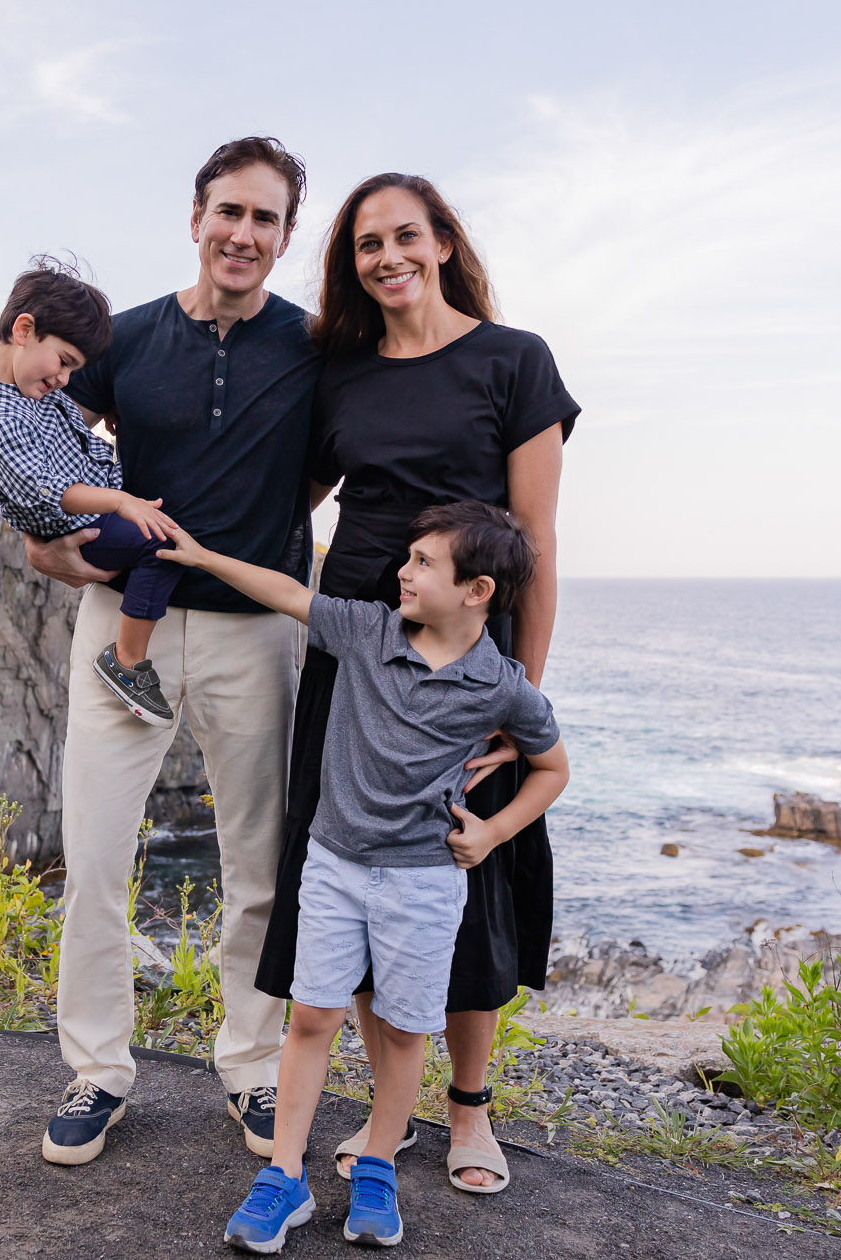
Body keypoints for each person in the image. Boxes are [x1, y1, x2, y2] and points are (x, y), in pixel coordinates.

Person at [257, 172, 580, 1195]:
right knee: (352, 862)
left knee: (463, 879)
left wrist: (515, 699)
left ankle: (468, 1108)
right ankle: (385, 1112)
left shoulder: (511, 361)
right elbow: (292, 495)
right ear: (349, 264)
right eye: (365, 245)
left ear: (441, 241)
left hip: (460, 663)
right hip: (353, 649)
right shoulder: (338, 374)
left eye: (405, 236)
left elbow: (532, 543)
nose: (386, 257)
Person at [158, 502, 569, 1252]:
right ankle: (284, 1177)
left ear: (477, 590)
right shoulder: (368, 630)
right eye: (407, 558)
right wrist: (201, 554)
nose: (403, 572)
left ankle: (377, 1167)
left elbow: (552, 765)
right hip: (335, 870)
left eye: (422, 563)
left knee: (409, 1031)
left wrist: (494, 830)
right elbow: (286, 593)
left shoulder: (503, 688)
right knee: (311, 1018)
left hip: (424, 883)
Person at [27, 138, 324, 1167]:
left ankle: (248, 1068)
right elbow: (40, 429)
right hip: (123, 625)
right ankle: (98, 1069)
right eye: (227, 212)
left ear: (285, 237)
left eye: (265, 219)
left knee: (256, 862)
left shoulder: (313, 346)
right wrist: (42, 538)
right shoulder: (127, 337)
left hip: (249, 630)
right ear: (193, 217)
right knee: (99, 855)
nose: (242, 234)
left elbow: (326, 473)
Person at [0, 259, 185, 725]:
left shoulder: (31, 392)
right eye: (64, 362)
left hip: (91, 513)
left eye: (74, 369)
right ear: (24, 330)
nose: (64, 379)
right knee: (162, 546)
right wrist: (121, 501)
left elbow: (69, 432)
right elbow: (47, 489)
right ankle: (126, 662)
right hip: (79, 526)